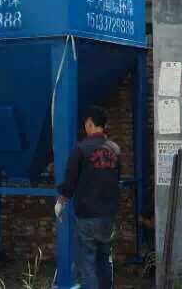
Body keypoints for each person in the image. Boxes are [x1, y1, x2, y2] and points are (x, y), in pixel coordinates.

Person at [56, 107, 121, 289]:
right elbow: (115, 180)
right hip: (108, 217)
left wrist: (60, 202)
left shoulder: (80, 149)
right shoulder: (115, 150)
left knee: (87, 264)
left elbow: (69, 182)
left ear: (89, 124)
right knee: (104, 261)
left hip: (87, 216)